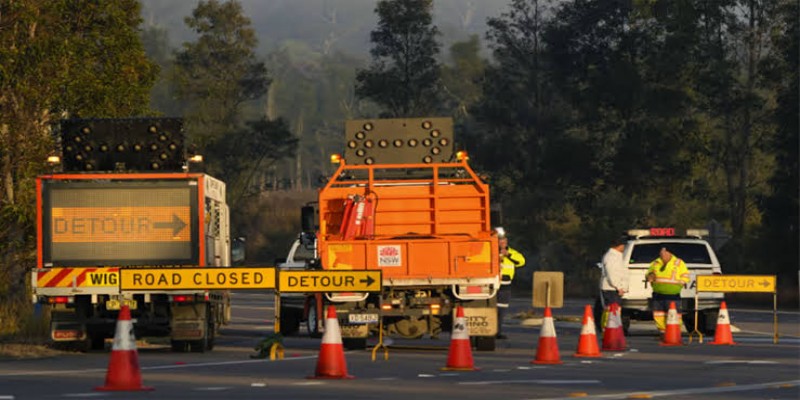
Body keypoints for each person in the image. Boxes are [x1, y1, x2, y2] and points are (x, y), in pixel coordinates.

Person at [646, 246, 690, 331]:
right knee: (659, 315)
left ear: (670, 253)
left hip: (673, 295)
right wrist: (649, 276)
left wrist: (680, 284)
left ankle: (675, 332)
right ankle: (662, 332)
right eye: (661, 252)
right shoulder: (655, 263)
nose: (662, 254)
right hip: (658, 294)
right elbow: (648, 273)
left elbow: (685, 276)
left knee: (674, 314)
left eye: (665, 252)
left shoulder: (679, 263)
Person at [495, 227, 526, 339]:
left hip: (505, 283)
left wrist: (508, 254)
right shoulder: (490, 252)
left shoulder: (512, 252)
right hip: (492, 283)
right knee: (491, 308)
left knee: (501, 309)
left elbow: (521, 261)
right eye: (499, 241)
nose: (502, 243)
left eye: (504, 241)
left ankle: (498, 331)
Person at [599, 237, 628, 329]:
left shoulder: (615, 256)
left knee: (613, 311)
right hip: (611, 288)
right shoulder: (612, 257)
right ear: (620, 246)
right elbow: (612, 273)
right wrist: (619, 287)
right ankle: (608, 329)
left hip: (613, 288)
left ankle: (611, 330)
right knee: (611, 311)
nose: (624, 247)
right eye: (623, 245)